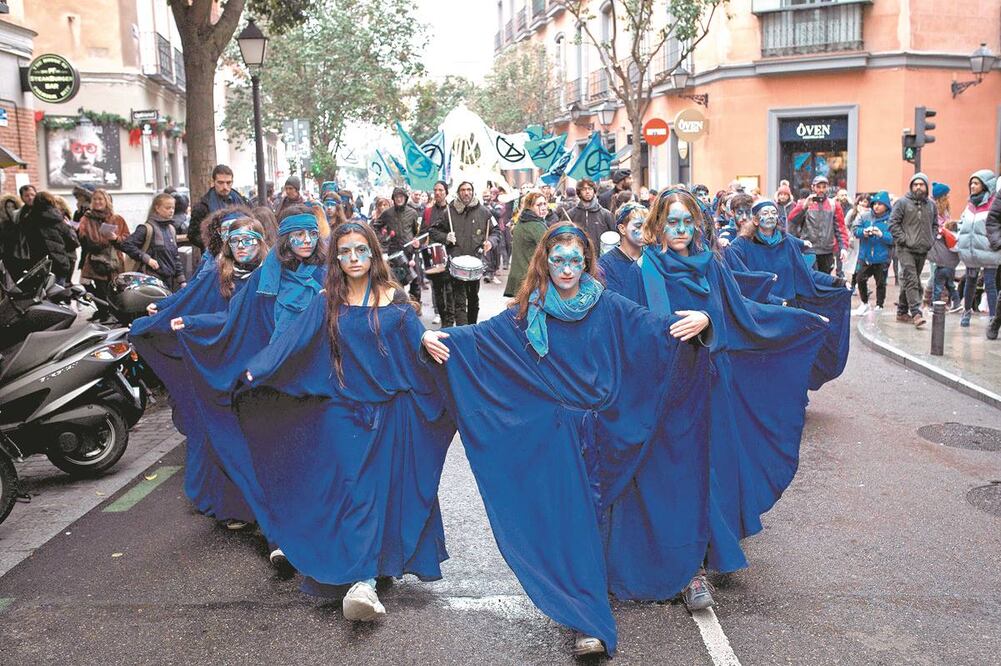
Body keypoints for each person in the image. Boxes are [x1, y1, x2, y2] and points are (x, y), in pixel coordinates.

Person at [421, 222, 713, 657]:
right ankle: (587, 621)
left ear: (587, 262)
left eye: (575, 260)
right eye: (558, 260)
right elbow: (480, 341)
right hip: (557, 438)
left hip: (607, 431)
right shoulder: (528, 312)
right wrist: (430, 336)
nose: (567, 269)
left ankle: (616, 582)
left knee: (603, 517)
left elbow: (655, 331)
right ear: (545, 261)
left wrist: (704, 320)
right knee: (572, 524)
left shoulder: (607, 304)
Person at [603, 188, 828, 614]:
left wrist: (712, 320)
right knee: (673, 474)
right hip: (667, 389)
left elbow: (737, 314)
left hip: (710, 383)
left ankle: (700, 559)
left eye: (687, 222)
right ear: (658, 225)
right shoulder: (642, 270)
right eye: (672, 222)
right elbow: (626, 327)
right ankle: (684, 566)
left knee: (711, 469)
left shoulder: (712, 265)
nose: (680, 230)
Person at [233, 221, 455, 620]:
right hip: (342, 409)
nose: (353, 258)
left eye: (360, 250)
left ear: (373, 254)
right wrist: (255, 372)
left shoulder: (393, 297)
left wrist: (424, 338)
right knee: (355, 488)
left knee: (379, 491)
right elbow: (292, 345)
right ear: (336, 257)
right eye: (345, 252)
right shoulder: (326, 301)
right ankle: (363, 581)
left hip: (389, 411)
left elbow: (413, 334)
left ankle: (369, 573)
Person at [174, 211, 327, 567]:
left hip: (317, 381)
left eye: (311, 234)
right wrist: (192, 322)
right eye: (297, 235)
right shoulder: (263, 279)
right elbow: (234, 319)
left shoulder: (328, 274)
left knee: (315, 461)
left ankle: (317, 534)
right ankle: (279, 538)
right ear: (284, 240)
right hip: (273, 382)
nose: (305, 241)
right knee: (272, 460)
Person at [130, 210, 268, 528]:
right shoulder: (217, 272)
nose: (241, 245)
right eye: (233, 238)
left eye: (248, 239)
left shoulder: (270, 274)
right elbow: (190, 298)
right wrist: (162, 312)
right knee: (227, 438)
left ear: (260, 241)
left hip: (259, 364)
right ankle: (239, 508)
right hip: (221, 363)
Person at [725, 199, 851, 390]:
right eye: (765, 213)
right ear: (756, 220)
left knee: (788, 360)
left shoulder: (788, 242)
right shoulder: (740, 245)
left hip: (789, 310)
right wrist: (774, 300)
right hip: (761, 313)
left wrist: (838, 282)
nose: (770, 216)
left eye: (773, 213)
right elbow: (740, 280)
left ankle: (789, 396)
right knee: (763, 362)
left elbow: (807, 274)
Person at [442, 181, 499, 326]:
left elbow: (496, 231)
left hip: (475, 261)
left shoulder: (484, 212)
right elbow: (434, 230)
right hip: (456, 261)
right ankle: (463, 330)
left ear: (473, 192)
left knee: (473, 297)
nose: (466, 193)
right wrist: (446, 237)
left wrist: (490, 242)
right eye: (462, 190)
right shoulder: (449, 211)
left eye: (468, 189)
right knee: (459, 300)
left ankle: (472, 327)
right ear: (458, 192)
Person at [888, 173, 936, 327]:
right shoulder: (902, 203)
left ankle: (902, 311)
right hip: (905, 249)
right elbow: (892, 223)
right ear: (911, 186)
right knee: (912, 280)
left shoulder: (931, 205)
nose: (918, 187)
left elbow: (935, 224)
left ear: (926, 187)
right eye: (915, 185)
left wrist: (931, 239)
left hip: (923, 248)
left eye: (921, 184)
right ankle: (916, 313)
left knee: (910, 280)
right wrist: (903, 239)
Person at [76, 188, 130, 320]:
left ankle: (111, 313)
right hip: (95, 261)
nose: (97, 202)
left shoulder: (117, 219)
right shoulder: (86, 218)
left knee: (113, 290)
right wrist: (78, 231)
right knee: (95, 288)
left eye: (100, 199)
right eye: (95, 199)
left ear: (107, 201)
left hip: (114, 261)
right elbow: (82, 239)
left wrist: (115, 238)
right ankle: (103, 311)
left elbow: (127, 239)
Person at [956, 169, 999, 329]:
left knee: (990, 284)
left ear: (985, 185)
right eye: (971, 183)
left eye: (976, 183)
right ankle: (966, 312)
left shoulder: (994, 203)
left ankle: (993, 318)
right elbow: (962, 223)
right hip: (971, 252)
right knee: (970, 282)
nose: (972, 186)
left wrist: (996, 242)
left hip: (989, 251)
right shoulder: (970, 204)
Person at [787, 175, 850, 275]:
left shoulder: (834, 205)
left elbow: (840, 229)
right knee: (811, 278)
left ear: (827, 188)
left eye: (824, 187)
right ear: (813, 187)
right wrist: (803, 207)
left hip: (827, 251)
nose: (821, 190)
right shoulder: (805, 203)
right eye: (818, 187)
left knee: (825, 279)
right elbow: (792, 219)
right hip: (809, 249)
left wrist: (843, 248)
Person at [122, 193, 185, 291]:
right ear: (157, 208)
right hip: (151, 281)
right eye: (167, 208)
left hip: (169, 281)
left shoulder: (171, 229)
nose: (171, 211)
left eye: (173, 208)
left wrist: (181, 280)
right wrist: (147, 259)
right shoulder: (146, 228)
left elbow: (175, 256)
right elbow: (127, 244)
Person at [22, 191, 79, 285]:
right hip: (59, 264)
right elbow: (73, 242)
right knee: (58, 291)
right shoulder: (59, 220)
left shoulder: (28, 220)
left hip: (39, 265)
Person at [851, 191, 895, 313]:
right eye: (874, 203)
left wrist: (881, 235)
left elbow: (894, 239)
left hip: (882, 257)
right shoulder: (865, 216)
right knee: (860, 278)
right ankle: (864, 302)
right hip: (865, 256)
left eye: (880, 204)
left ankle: (879, 305)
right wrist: (864, 232)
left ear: (886, 205)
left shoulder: (891, 219)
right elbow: (855, 229)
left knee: (881, 282)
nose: (876, 206)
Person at [189, 164, 250, 251]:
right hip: (215, 253)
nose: (225, 187)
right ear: (213, 182)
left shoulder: (243, 202)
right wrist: (214, 245)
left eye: (228, 183)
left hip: (241, 249)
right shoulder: (203, 206)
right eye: (220, 182)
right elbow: (193, 235)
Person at [503, 191, 550, 298]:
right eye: (539, 205)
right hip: (531, 278)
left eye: (544, 203)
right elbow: (551, 247)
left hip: (522, 276)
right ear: (530, 207)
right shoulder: (535, 225)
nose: (543, 207)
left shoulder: (522, 221)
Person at [597, 201, 645, 296]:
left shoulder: (651, 258)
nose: (645, 230)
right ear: (622, 229)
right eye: (638, 226)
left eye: (648, 226)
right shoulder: (605, 265)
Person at [425, 180, 454, 326]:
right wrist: (418, 241)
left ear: (446, 192)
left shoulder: (451, 210)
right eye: (435, 190)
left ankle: (449, 320)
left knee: (449, 289)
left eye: (440, 190)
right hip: (433, 255)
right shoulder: (428, 211)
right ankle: (442, 317)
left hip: (448, 253)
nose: (437, 193)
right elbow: (424, 231)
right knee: (437, 289)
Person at [563, 178, 615, 247]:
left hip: (600, 253)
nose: (587, 192)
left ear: (594, 191)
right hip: (579, 252)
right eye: (584, 189)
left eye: (590, 189)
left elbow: (614, 237)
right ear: (579, 192)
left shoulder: (606, 214)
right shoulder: (570, 214)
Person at [929, 218, 961, 312]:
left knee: (938, 287)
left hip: (942, 266)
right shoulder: (956, 239)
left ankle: (936, 306)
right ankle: (957, 303)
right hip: (951, 268)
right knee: (951, 285)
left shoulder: (941, 236)